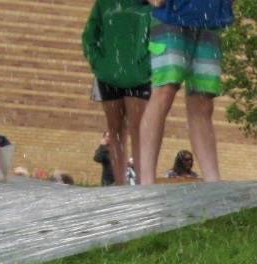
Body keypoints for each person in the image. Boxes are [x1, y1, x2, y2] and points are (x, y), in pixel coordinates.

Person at [138, 0, 232, 184]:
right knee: (165, 90)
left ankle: (213, 181)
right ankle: (146, 181)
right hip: (170, 17)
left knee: (203, 101)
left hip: (210, 18)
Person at [81, 0, 151, 185]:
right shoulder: (104, 4)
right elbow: (89, 36)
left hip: (139, 77)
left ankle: (142, 182)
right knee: (115, 129)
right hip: (109, 75)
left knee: (138, 128)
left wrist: (147, 65)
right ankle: (120, 184)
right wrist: (98, 64)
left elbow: (159, 37)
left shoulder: (148, 5)